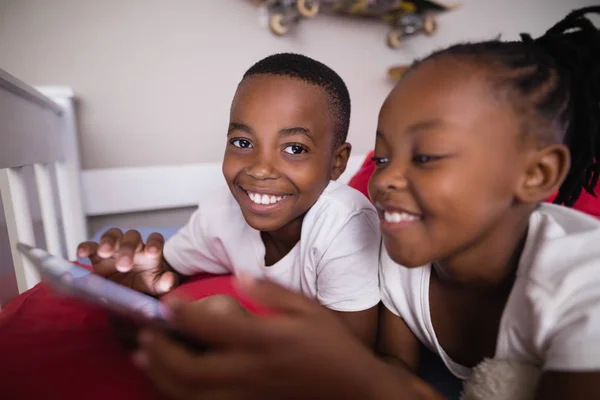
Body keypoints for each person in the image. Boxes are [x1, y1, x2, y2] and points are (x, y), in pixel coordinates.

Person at [133, 7, 600, 400]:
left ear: (535, 175)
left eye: (426, 156)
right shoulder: (400, 255)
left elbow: (379, 380)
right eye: (381, 156)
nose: (386, 179)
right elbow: (394, 367)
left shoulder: (585, 285)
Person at [77, 53, 381, 345]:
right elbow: (166, 268)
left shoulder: (345, 224)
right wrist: (141, 283)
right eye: (243, 142)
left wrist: (246, 331)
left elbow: (353, 355)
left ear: (337, 162)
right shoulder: (221, 211)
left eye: (295, 149)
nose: (260, 169)